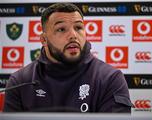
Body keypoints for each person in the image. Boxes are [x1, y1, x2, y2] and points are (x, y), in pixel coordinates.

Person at [3, 3, 133, 112]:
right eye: (61, 29)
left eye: (78, 27)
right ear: (44, 40)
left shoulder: (110, 78)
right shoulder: (20, 81)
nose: (73, 35)